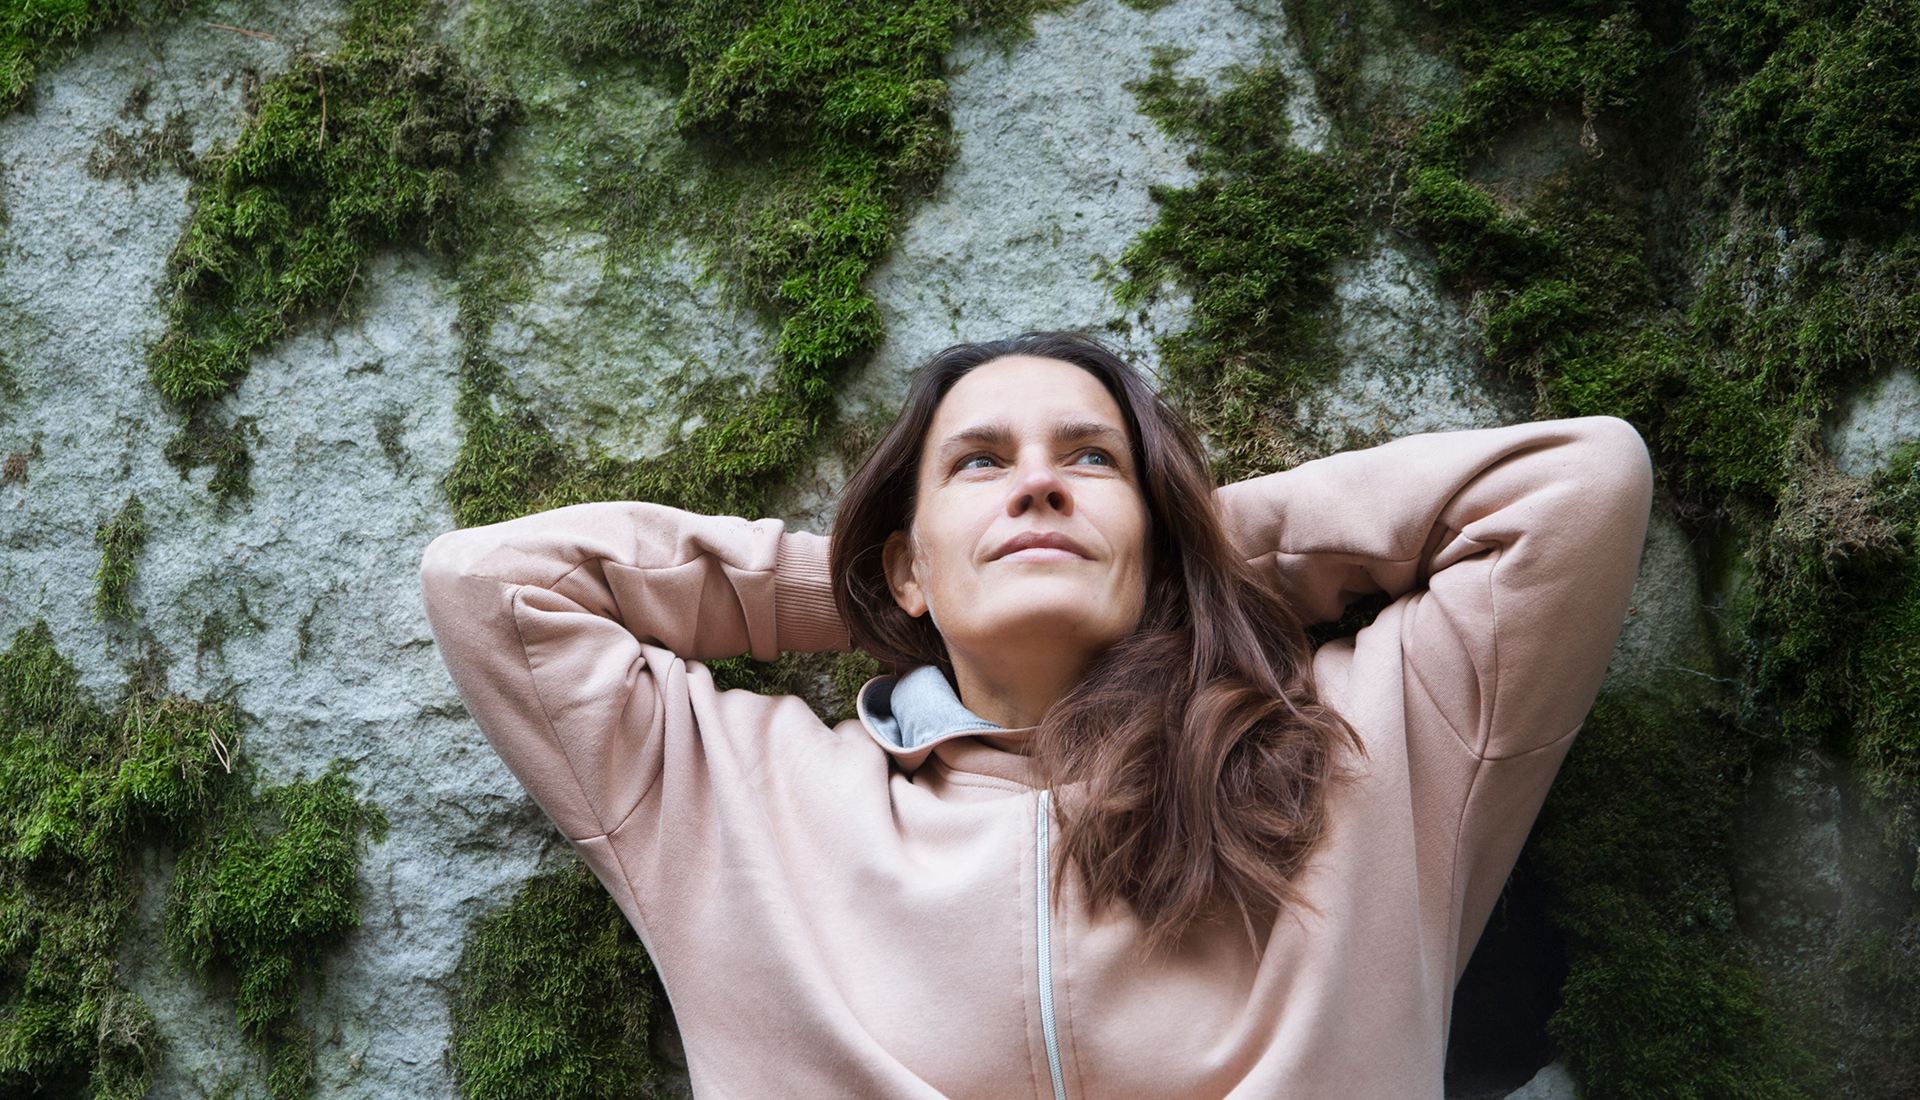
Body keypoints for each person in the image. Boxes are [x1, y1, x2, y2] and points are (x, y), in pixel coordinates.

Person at [420, 331, 1652, 1099]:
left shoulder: (1365, 749)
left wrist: (1192, 559)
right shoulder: (735, 798)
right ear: (908, 564)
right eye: (978, 463)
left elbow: (1575, 487)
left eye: (1095, 461)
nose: (1041, 483)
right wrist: (876, 582)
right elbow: (492, 585)